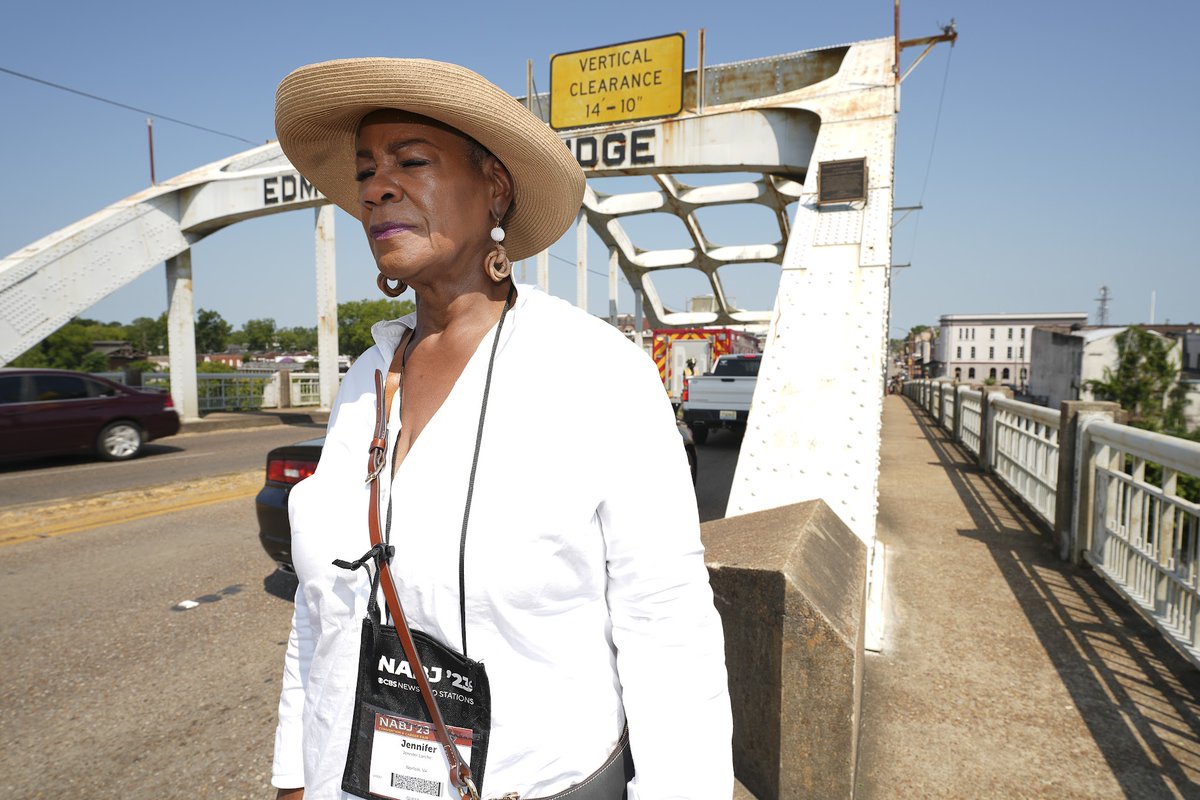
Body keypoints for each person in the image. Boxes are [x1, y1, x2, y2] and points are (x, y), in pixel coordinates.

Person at [270, 58, 733, 800]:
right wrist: (295, 773)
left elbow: (666, 622)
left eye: (411, 161)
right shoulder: (366, 380)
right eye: (365, 171)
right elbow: (319, 609)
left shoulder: (593, 371)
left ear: (496, 187)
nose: (376, 187)